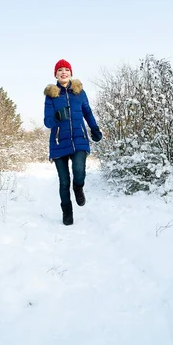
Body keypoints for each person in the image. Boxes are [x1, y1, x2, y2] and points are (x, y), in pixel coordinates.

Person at [44, 59, 102, 225]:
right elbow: (47, 121)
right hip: (58, 141)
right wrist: (56, 117)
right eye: (60, 70)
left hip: (79, 138)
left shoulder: (79, 92)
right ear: (55, 74)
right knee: (63, 181)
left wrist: (94, 128)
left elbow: (87, 112)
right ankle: (67, 212)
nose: (63, 72)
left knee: (79, 170)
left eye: (66, 69)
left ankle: (79, 187)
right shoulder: (51, 96)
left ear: (71, 73)